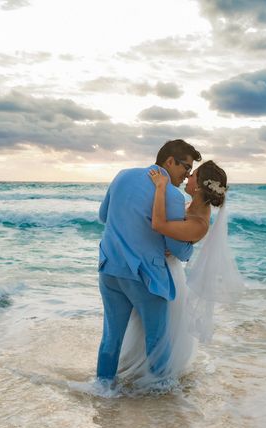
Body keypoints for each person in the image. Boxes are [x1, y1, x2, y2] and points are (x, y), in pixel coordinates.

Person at [117, 160, 245, 392]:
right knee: (143, 326)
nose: (187, 177)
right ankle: (138, 372)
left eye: (193, 174)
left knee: (159, 331)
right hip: (151, 270)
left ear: (199, 186)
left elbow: (158, 224)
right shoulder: (187, 206)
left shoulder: (199, 222)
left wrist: (160, 187)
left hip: (168, 276)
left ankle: (159, 385)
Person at [96, 139, 202, 388]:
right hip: (145, 276)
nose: (187, 175)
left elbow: (103, 216)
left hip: (110, 268)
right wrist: (190, 247)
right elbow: (177, 247)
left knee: (111, 337)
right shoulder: (172, 197)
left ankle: (102, 389)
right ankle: (161, 396)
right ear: (169, 162)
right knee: (157, 340)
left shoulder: (122, 176)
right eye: (185, 167)